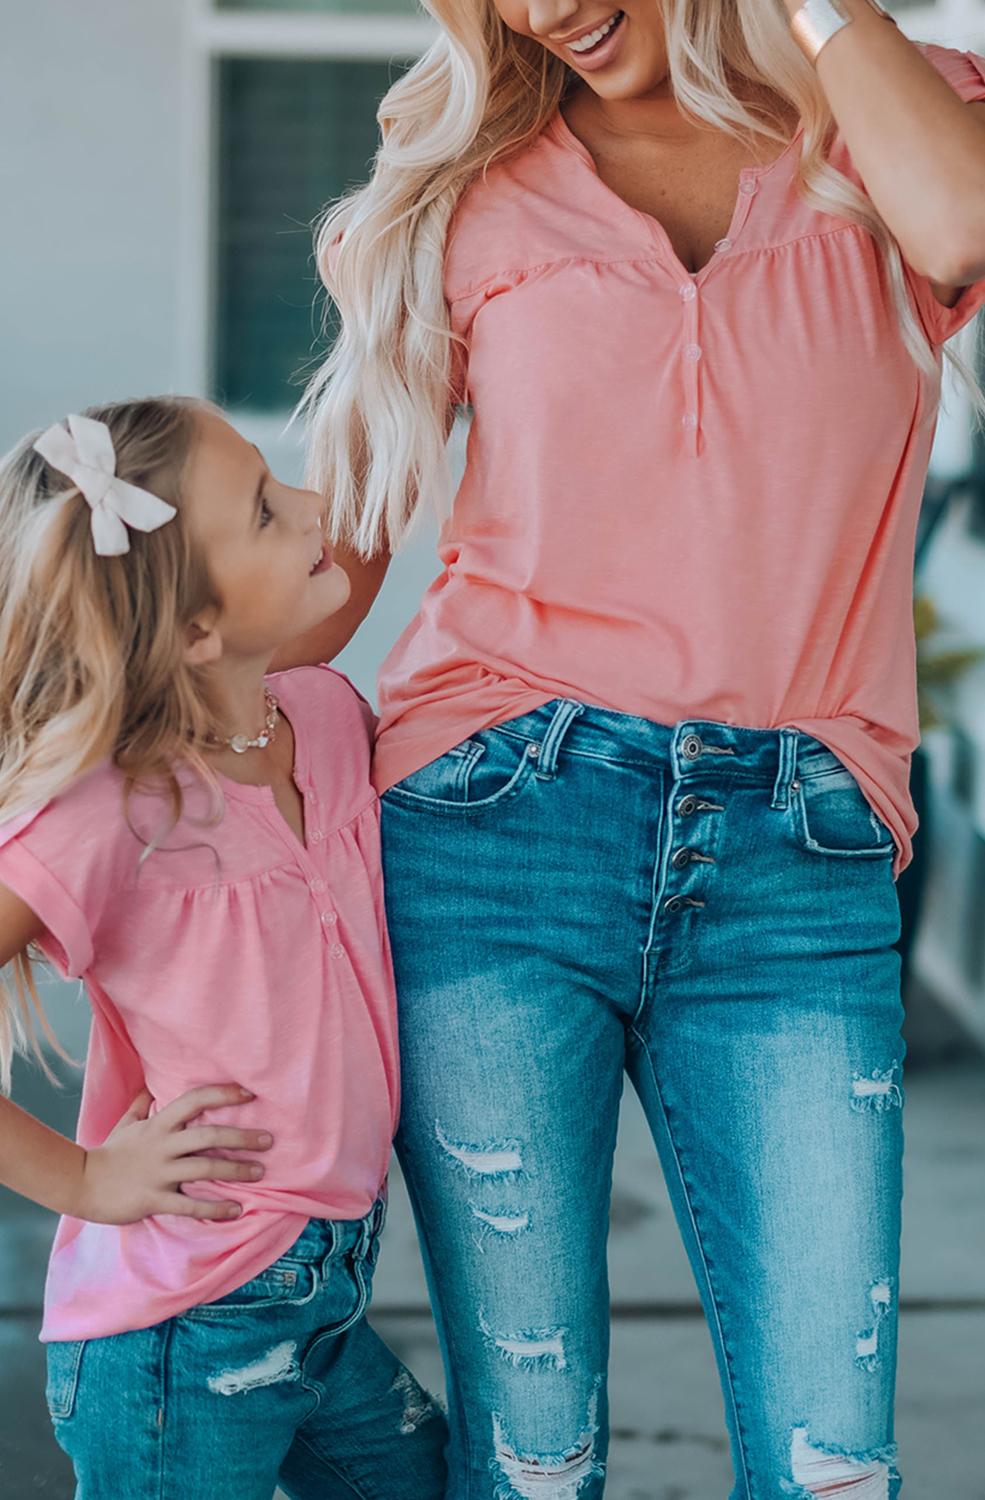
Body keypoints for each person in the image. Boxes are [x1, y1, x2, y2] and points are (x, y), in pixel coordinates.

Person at [293, 2, 985, 1497]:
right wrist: (110, 689)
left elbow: (964, 221)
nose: (541, 9)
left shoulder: (887, 117)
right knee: (533, 1461)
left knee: (833, 1466)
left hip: (798, 863)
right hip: (491, 822)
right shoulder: (466, 187)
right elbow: (341, 556)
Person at [0, 398, 447, 1499]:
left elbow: (333, 585)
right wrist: (87, 1177)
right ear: (195, 630)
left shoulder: (324, 720)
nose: (309, 506)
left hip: (319, 1297)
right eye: (265, 509)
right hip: (180, 1335)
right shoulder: (111, 810)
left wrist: (416, 384)